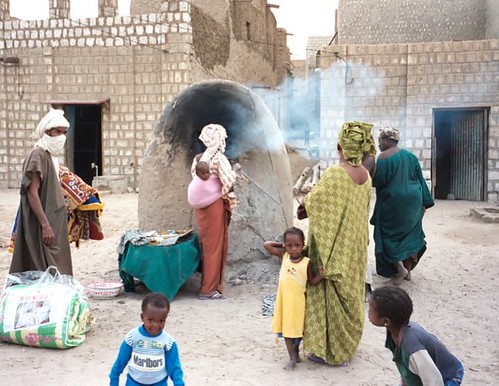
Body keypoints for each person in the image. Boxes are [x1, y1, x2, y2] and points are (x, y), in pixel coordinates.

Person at [302, 123, 373, 366]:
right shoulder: (366, 176)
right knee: (351, 291)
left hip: (333, 247)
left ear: (340, 147)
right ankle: (348, 343)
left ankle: (328, 349)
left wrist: (308, 197)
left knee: (327, 291)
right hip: (354, 247)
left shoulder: (335, 174)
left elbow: (314, 204)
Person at [9, 108, 73, 276]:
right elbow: (32, 192)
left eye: (64, 132)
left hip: (54, 221)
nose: (61, 136)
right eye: (57, 131)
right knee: (42, 265)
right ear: (47, 131)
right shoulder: (38, 155)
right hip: (43, 223)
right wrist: (45, 225)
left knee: (56, 265)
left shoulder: (50, 156)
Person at [370, 127, 434, 285]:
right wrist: (425, 202)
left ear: (387, 140)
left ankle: (399, 269)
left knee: (388, 235)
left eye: (380, 140)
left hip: (394, 203)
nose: (378, 144)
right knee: (410, 234)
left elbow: (378, 181)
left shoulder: (383, 158)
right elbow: (420, 178)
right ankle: (408, 270)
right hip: (414, 201)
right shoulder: (411, 156)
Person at [368, 286, 464, 385]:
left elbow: (434, 381)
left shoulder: (412, 348)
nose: (368, 312)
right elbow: (407, 368)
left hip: (448, 377)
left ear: (386, 321)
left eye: (370, 310)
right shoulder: (395, 332)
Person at [190, 123, 239, 300]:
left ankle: (209, 286)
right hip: (214, 206)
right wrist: (235, 172)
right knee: (216, 246)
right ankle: (208, 289)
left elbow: (196, 180)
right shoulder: (219, 158)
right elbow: (229, 181)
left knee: (207, 244)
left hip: (201, 207)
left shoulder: (197, 158)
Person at [263, 227, 323, 371]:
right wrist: (282, 245)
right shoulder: (284, 256)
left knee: (297, 330)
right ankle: (291, 359)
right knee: (287, 331)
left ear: (303, 245)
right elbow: (267, 245)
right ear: (285, 245)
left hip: (298, 303)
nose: (294, 249)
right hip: (284, 302)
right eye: (290, 245)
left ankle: (295, 353)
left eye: (297, 245)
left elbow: (312, 281)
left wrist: (321, 275)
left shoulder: (307, 262)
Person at [109, 292, 185, 386]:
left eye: (161, 321)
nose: (156, 325)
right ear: (142, 317)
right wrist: (114, 379)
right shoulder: (132, 337)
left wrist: (179, 383)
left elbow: (174, 368)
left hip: (159, 383)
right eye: (151, 320)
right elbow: (120, 362)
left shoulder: (168, 342)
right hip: (133, 383)